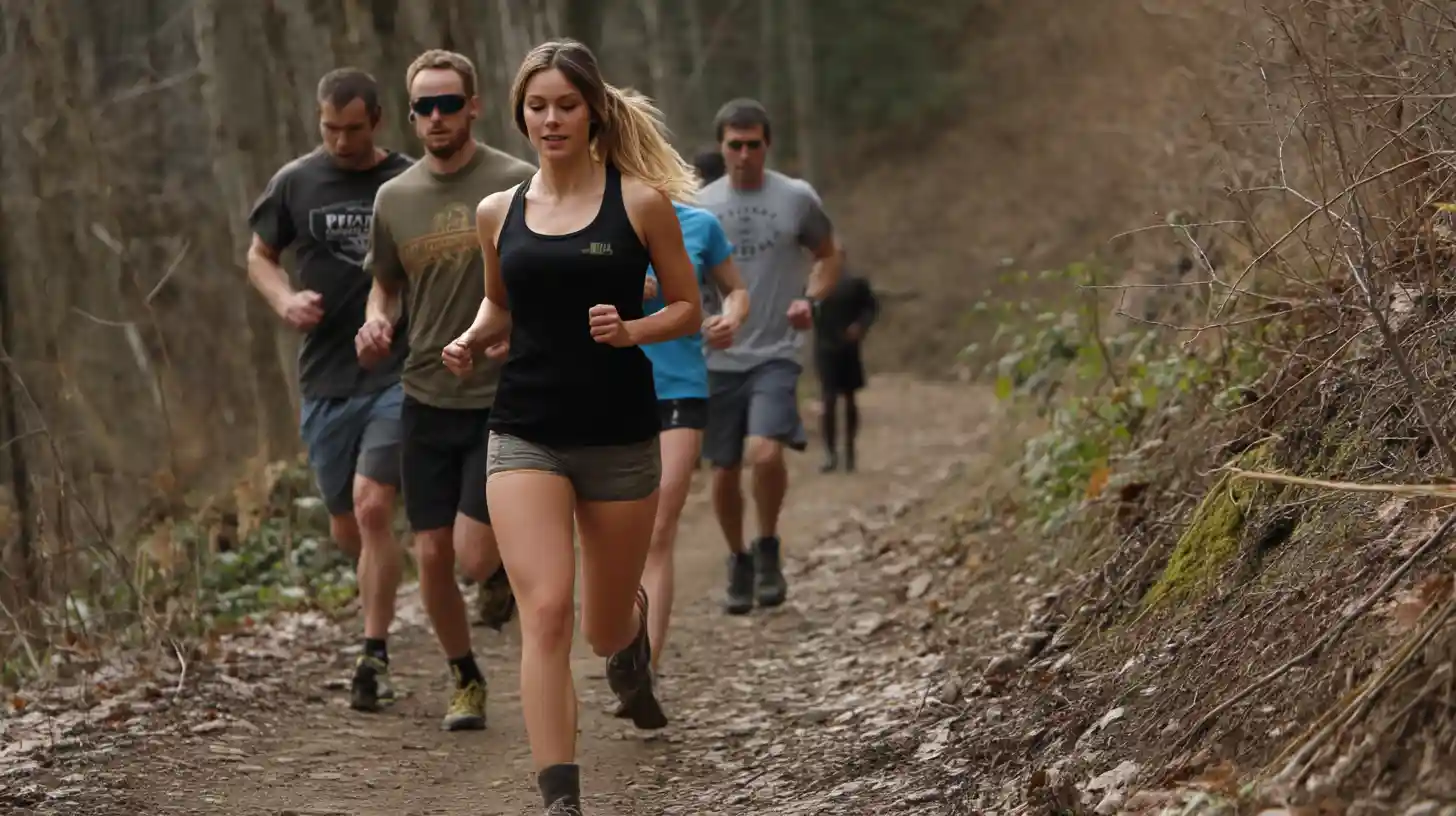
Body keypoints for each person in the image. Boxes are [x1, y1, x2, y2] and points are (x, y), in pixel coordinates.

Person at [442, 38, 701, 815]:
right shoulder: (498, 211)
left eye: (565, 105)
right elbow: (501, 303)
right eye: (536, 107)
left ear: (592, 112)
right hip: (525, 430)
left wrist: (631, 330)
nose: (550, 120)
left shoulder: (640, 202)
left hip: (620, 434)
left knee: (600, 626)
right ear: (521, 115)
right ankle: (561, 796)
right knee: (545, 609)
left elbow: (687, 306)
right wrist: (472, 335)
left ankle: (631, 643)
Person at [355, 49, 536, 731]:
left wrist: (519, 334)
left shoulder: (516, 180)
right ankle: (465, 676)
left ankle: (494, 577)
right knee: (429, 552)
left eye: (448, 104)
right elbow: (386, 283)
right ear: (410, 116)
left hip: (501, 393)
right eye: (424, 107)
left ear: (474, 106)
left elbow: (545, 274)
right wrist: (377, 322)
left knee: (472, 551)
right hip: (424, 392)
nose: (436, 117)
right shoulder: (394, 199)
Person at [245, 68, 413, 713]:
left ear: (376, 120)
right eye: (329, 128)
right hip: (324, 377)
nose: (340, 141)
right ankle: (385, 565)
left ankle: (373, 655)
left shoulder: (405, 180)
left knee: (373, 508)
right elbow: (258, 255)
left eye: (352, 129)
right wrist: (285, 299)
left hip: (396, 368)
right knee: (349, 525)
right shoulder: (295, 181)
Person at [695, 99, 841, 616]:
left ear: (767, 145)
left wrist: (811, 299)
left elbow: (827, 254)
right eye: (734, 145)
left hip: (776, 350)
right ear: (722, 147)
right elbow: (676, 274)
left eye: (753, 144)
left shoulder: (796, 198)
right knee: (724, 469)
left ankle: (769, 546)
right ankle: (738, 558)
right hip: (716, 355)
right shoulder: (699, 205)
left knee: (766, 453)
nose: (743, 154)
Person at [629, 155, 749, 683]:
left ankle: (644, 671)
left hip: (679, 388)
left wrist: (731, 317)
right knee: (616, 535)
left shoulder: (699, 224)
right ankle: (618, 639)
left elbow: (735, 288)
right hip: (606, 391)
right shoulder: (594, 226)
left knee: (658, 528)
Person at [812, 258, 879, 472]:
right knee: (828, 400)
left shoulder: (856, 284)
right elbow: (803, 309)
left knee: (849, 399)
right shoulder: (815, 285)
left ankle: (850, 449)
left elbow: (871, 307)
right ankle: (830, 453)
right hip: (825, 348)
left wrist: (860, 326)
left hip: (848, 349)